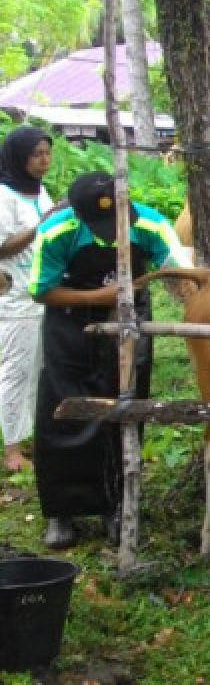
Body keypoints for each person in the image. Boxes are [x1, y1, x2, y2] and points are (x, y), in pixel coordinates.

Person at [30, 172, 188, 549]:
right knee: (65, 414)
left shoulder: (150, 225)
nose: (111, 235)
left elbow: (179, 271)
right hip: (70, 330)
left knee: (121, 416)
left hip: (128, 330)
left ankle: (115, 506)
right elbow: (41, 291)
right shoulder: (56, 231)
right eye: (101, 228)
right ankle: (61, 511)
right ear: (79, 216)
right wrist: (99, 298)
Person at [0, 127, 54, 472]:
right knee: (16, 370)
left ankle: (33, 432)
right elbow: (2, 246)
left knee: (41, 368)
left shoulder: (39, 192)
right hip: (15, 297)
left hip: (41, 294)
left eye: (47, 153)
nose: (44, 160)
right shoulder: (4, 196)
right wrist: (41, 225)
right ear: (19, 158)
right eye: (36, 154)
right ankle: (12, 450)